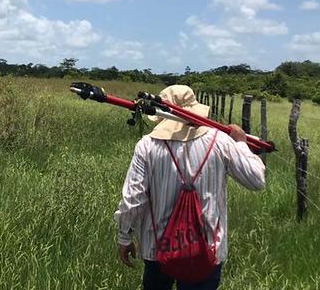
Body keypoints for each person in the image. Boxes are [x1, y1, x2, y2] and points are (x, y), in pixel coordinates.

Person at [114, 85, 266, 290]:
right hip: (207, 248)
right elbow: (256, 179)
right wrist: (240, 143)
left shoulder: (147, 146)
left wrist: (125, 237)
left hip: (156, 247)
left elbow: (133, 199)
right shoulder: (221, 141)